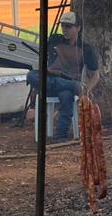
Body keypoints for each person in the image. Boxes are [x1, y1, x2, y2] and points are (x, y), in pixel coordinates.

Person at [27, 11, 99, 139]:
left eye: (68, 26)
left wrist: (86, 90)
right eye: (63, 26)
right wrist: (32, 105)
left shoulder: (86, 49)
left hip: (66, 84)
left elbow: (95, 75)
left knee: (66, 95)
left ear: (78, 28)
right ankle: (72, 86)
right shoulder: (54, 40)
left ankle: (61, 134)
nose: (64, 29)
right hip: (50, 80)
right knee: (31, 75)